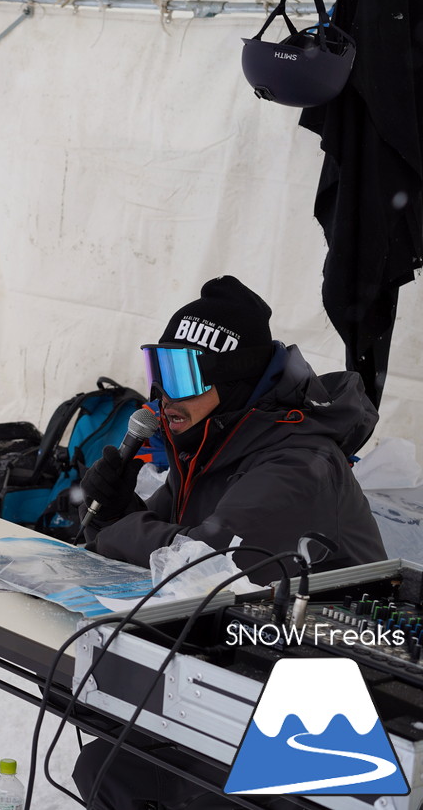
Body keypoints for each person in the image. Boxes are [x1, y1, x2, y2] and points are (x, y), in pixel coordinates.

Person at [72, 274, 388, 809]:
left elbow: (198, 565)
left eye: (185, 375)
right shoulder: (211, 445)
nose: (165, 394)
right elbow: (146, 551)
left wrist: (120, 527)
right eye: (159, 368)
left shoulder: (296, 462)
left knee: (197, 795)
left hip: (332, 705)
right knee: (108, 770)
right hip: (241, 666)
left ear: (236, 385)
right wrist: (114, 512)